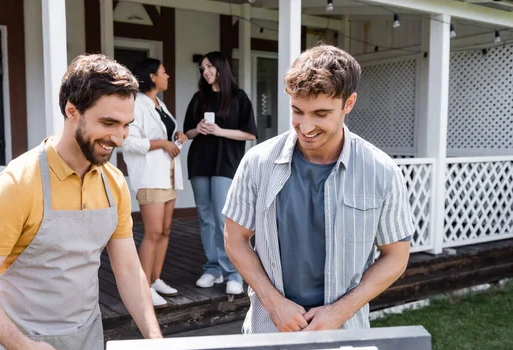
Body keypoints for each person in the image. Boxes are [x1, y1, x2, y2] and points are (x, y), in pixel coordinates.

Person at [0, 54, 162, 350]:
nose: (121, 138)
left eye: (126, 125)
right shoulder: (19, 183)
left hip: (85, 349)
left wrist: (155, 341)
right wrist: (24, 348)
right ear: (72, 111)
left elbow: (127, 269)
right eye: (109, 123)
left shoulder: (114, 182)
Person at [223, 45, 414, 334]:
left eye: (321, 113)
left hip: (344, 331)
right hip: (269, 328)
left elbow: (396, 256)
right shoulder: (257, 162)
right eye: (297, 111)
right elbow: (235, 238)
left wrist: (340, 311)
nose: (306, 126)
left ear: (348, 104)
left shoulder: (382, 171)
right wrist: (274, 303)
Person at [183, 51, 258, 295]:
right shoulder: (199, 98)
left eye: (210, 67)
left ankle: (232, 273)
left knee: (222, 218)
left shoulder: (238, 98)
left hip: (226, 163)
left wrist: (219, 131)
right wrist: (198, 128)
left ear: (221, 68)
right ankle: (212, 268)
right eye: (203, 68)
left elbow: (250, 134)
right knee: (205, 217)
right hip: (200, 163)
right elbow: (187, 133)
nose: (205, 71)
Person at [123, 58, 188, 308]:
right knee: (152, 233)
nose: (168, 75)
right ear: (152, 76)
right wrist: (162, 143)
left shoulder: (158, 104)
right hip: (150, 177)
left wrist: (176, 137)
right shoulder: (137, 105)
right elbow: (128, 142)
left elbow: (163, 133)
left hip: (168, 174)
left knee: (165, 230)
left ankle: (155, 279)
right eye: (163, 72)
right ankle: (143, 288)